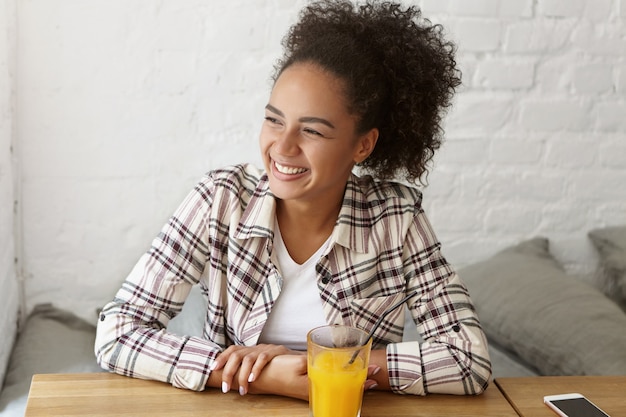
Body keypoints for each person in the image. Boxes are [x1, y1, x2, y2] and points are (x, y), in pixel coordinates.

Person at [95, 0, 492, 401]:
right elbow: (117, 331)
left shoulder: (397, 219)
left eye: (313, 132)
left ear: (363, 144)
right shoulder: (221, 199)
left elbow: (467, 358)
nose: (282, 147)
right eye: (274, 120)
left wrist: (330, 366)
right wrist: (262, 375)